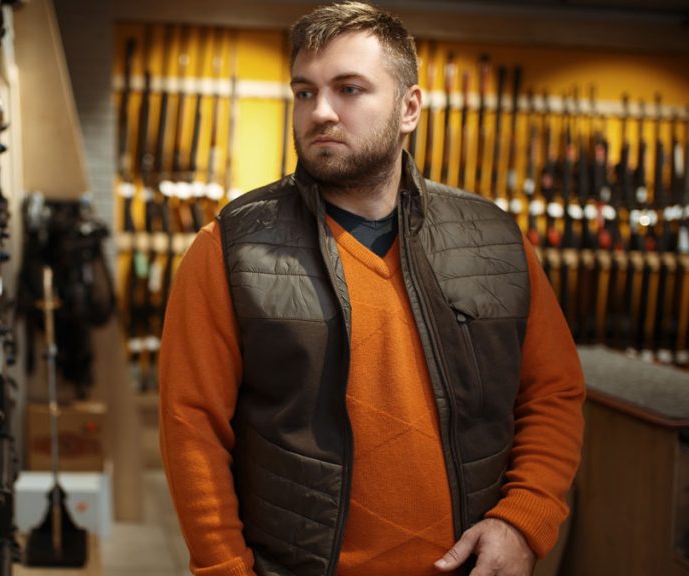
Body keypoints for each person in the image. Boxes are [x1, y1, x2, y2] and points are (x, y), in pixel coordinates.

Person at [157, 3, 585, 576]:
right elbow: (192, 430)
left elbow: (552, 393)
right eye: (304, 92)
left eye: (349, 89)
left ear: (409, 108)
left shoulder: (495, 241)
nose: (321, 112)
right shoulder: (229, 247)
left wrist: (522, 519)